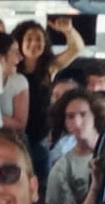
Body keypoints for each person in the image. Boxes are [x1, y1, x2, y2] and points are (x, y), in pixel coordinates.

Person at [13, 17, 84, 181]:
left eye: (39, 39)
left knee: (42, 183)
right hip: (16, 136)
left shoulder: (49, 68)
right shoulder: (11, 69)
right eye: (29, 39)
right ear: (19, 42)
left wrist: (68, 31)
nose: (34, 43)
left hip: (40, 138)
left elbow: (76, 48)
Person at [44, 88, 105, 204]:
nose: (77, 123)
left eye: (83, 115)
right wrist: (94, 188)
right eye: (70, 117)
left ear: (95, 116)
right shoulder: (61, 170)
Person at [0, 33, 30, 132]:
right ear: (0, 58)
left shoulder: (19, 82)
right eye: (15, 52)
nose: (21, 57)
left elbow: (20, 125)